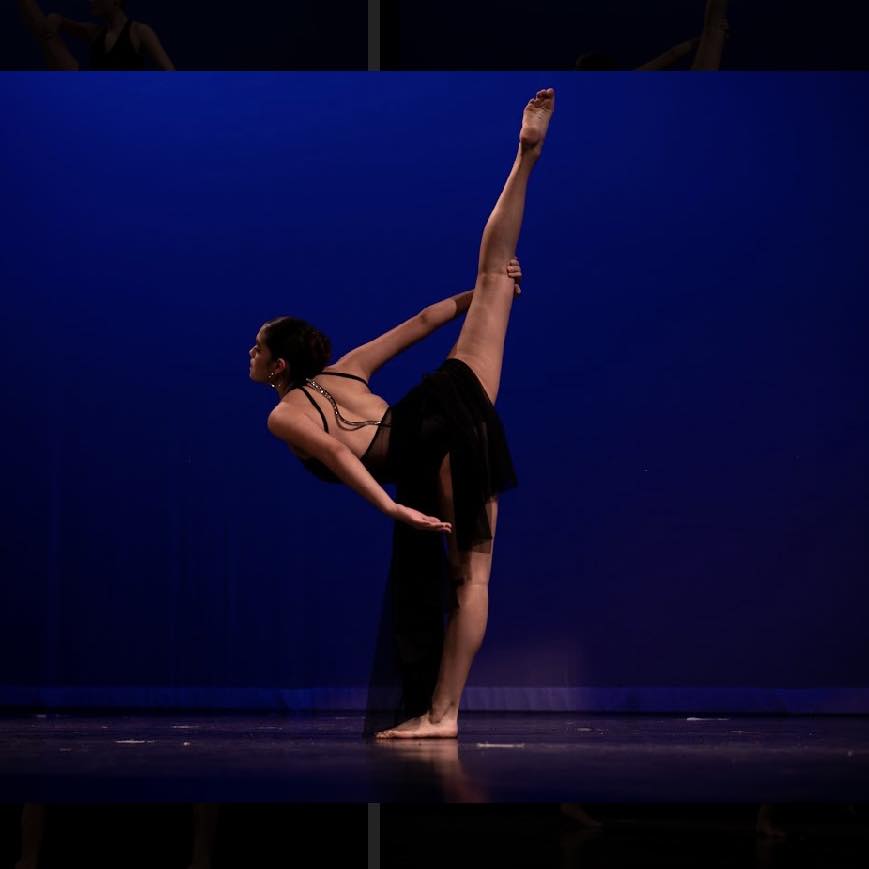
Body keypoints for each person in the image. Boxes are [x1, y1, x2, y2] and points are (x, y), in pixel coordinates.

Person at [252, 88, 555, 738]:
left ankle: (443, 716)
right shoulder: (348, 369)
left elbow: (337, 453)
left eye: (257, 347)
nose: (250, 354)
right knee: (492, 270)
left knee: (469, 580)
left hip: (429, 439)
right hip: (453, 402)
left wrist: (391, 509)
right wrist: (486, 294)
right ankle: (525, 157)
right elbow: (422, 320)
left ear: (278, 365)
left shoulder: (284, 414)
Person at [16, 0, 174, 70]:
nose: (91, 0)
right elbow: (58, 23)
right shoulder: (95, 31)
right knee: (47, 37)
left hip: (123, 98)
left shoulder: (139, 31)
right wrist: (56, 19)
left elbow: (169, 71)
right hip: (92, 94)